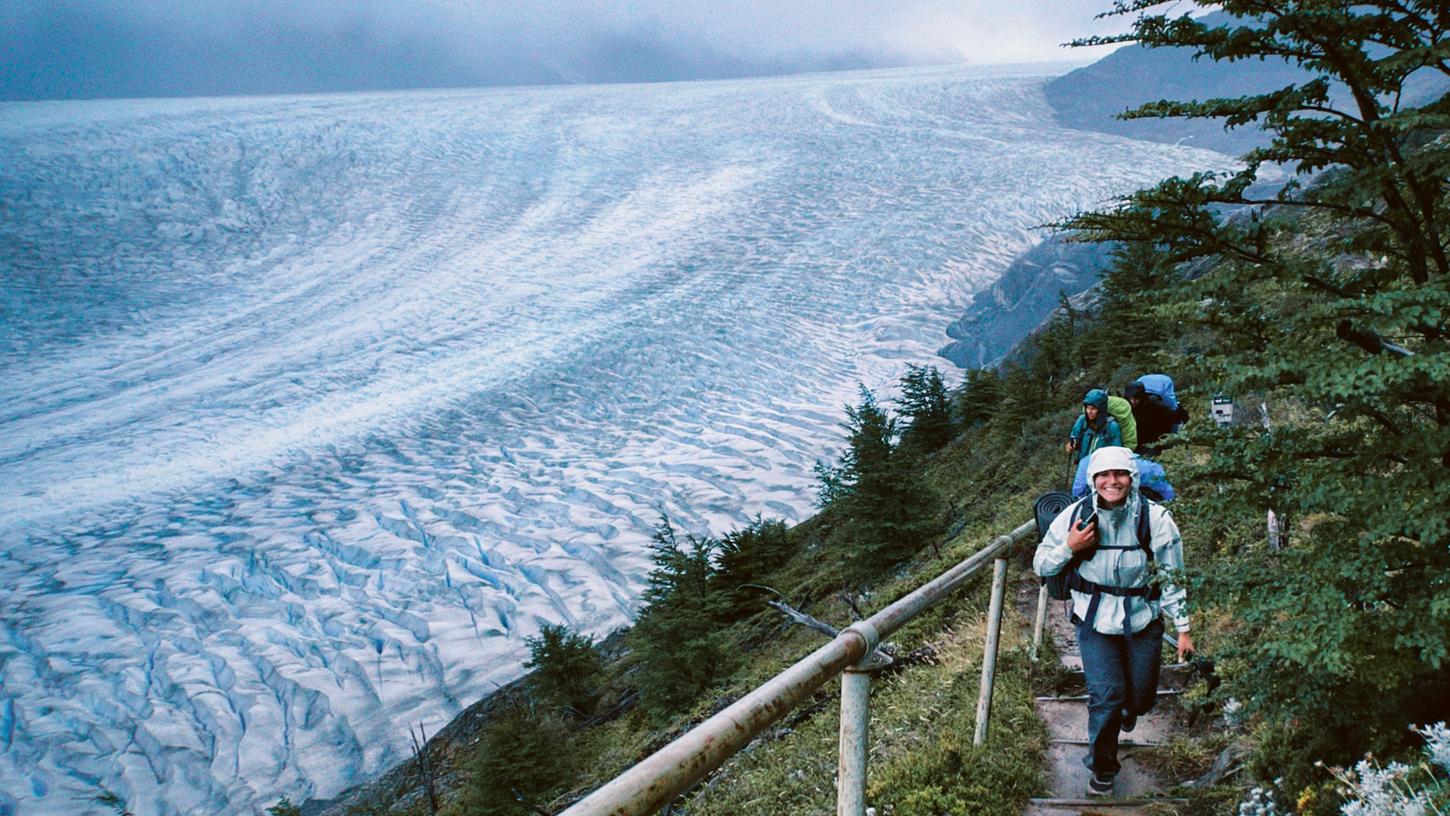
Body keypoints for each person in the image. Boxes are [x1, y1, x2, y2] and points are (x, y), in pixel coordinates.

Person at [1034, 446, 1194, 797]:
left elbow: (1172, 576)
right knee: (1106, 695)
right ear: (1093, 480)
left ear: (1132, 478)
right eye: (1103, 475)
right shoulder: (1075, 516)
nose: (1112, 481)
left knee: (1141, 699)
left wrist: (1183, 629)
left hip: (1143, 618)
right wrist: (1070, 546)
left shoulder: (1156, 519)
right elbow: (1042, 565)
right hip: (1094, 619)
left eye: (1119, 474)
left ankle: (1130, 708)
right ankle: (1103, 770)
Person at [1125, 378, 1189, 454]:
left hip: (1153, 441)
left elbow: (1176, 417)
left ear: (1141, 396)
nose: (1133, 402)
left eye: (1136, 398)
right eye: (1131, 399)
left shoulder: (1155, 404)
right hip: (1135, 442)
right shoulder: (1125, 406)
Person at [1065, 389, 1122, 466]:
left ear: (1101, 409)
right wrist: (1071, 445)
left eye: (1093, 409)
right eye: (1087, 408)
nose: (1089, 412)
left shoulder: (1112, 426)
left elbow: (1117, 451)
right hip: (1083, 466)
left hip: (1101, 469)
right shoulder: (1082, 420)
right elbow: (1075, 438)